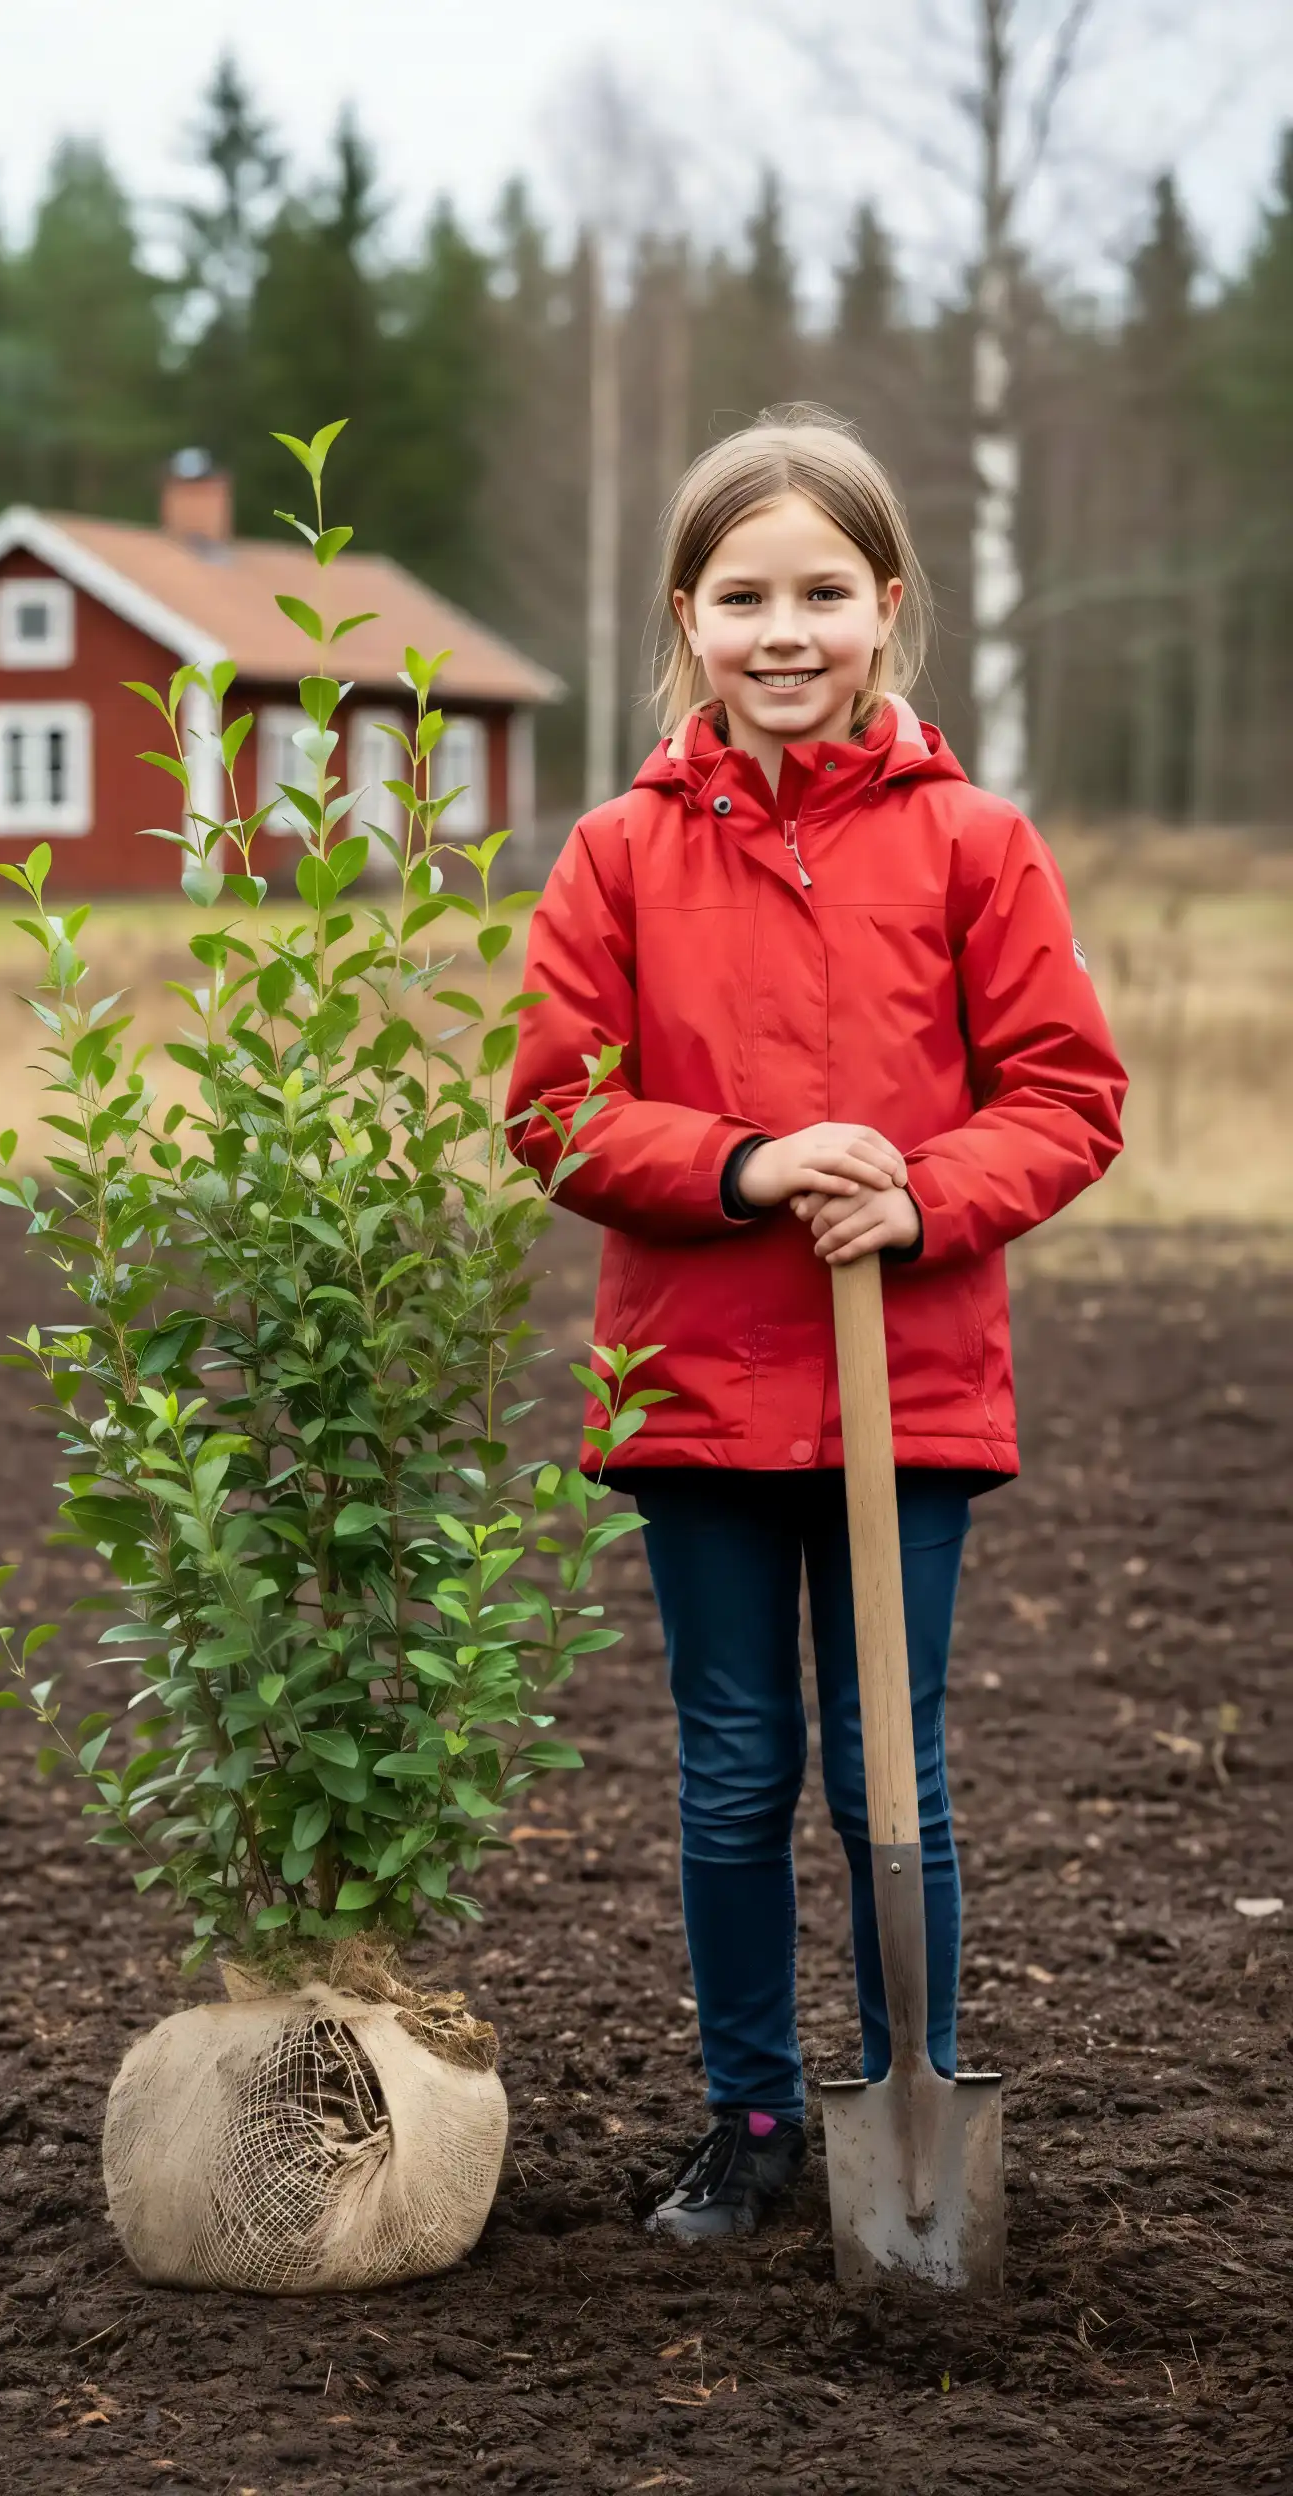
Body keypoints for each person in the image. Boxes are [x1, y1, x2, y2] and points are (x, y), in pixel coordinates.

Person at [506, 406, 1127, 2242]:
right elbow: (555, 1113)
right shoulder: (618, 855)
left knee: (887, 1764)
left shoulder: (974, 847)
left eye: (825, 593)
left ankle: (911, 2090)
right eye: (745, 595)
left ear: (889, 606)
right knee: (732, 1767)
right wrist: (759, 1163)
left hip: (904, 1393)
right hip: (695, 1389)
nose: (787, 632)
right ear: (688, 613)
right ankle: (758, 2117)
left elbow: (1067, 1096)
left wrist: (925, 1194)